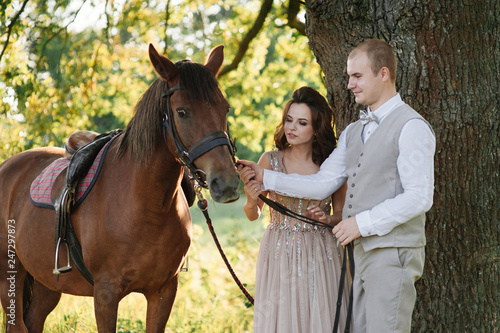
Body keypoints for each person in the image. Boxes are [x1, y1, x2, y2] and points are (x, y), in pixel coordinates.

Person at [238, 39, 436, 333]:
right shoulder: (354, 132)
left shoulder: (412, 127)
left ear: (383, 74)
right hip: (358, 255)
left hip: (393, 252)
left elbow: (419, 197)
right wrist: (265, 177)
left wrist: (360, 223)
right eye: (348, 77)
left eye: (357, 76)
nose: (349, 85)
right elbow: (320, 185)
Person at [239, 86, 350, 333]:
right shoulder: (270, 160)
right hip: (278, 250)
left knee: (319, 315)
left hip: (320, 252)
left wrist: (328, 217)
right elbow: (253, 214)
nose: (291, 128)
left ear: (316, 129)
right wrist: (249, 199)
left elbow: (342, 214)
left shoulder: (329, 165)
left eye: (301, 123)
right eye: (289, 120)